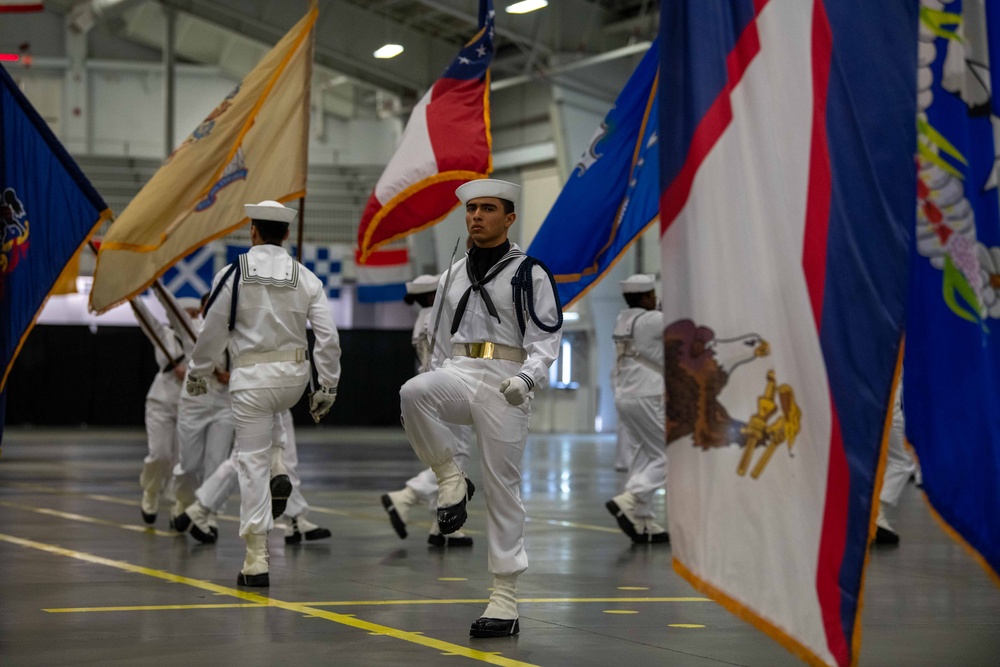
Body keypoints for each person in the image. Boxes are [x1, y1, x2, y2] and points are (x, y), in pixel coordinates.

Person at [399, 179, 562, 638]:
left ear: (509, 218)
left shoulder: (530, 272)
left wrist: (527, 380)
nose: (476, 216)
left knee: (502, 487)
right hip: (458, 369)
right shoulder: (451, 273)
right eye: (471, 209)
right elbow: (437, 338)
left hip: (506, 379)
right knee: (413, 392)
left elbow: (546, 341)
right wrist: (433, 372)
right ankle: (450, 479)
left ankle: (504, 598)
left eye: (487, 209)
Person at [186, 200, 341, 587]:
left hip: (251, 380)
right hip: (293, 380)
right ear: (286, 234)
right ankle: (279, 466)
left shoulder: (232, 274)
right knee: (274, 432)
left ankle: (256, 558)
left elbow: (212, 331)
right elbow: (328, 337)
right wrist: (328, 385)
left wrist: (197, 372)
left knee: (249, 461)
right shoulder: (306, 277)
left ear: (253, 231)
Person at [381, 274, 475, 548]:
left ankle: (441, 526)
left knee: (445, 457)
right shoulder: (437, 315)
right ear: (433, 296)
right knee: (458, 456)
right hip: (446, 391)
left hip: (428, 393)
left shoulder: (419, 319)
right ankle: (405, 497)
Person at [174, 409, 333, 545]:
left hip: (282, 400)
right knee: (241, 459)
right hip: (255, 398)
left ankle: (295, 519)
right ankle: (199, 510)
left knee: (285, 461)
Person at [605, 274, 669, 544]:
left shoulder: (624, 318)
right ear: (644, 298)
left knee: (644, 455)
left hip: (625, 395)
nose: (655, 300)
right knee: (668, 455)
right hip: (648, 394)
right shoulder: (652, 320)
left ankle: (642, 519)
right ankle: (630, 499)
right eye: (652, 296)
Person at [170, 294, 234, 529]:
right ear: (202, 308)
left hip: (224, 402)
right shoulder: (192, 328)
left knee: (217, 463)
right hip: (195, 401)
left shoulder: (235, 331)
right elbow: (171, 307)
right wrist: (154, 283)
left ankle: (209, 517)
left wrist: (234, 374)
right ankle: (183, 501)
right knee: (188, 465)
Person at [133, 295, 187, 525]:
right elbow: (145, 318)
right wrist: (133, 297)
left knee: (183, 461)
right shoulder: (163, 334)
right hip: (161, 401)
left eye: (195, 314)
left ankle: (179, 503)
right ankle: (151, 490)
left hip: (190, 404)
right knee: (161, 454)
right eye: (188, 314)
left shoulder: (203, 337)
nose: (192, 318)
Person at [874, 371, 917, 545]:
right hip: (883, 397)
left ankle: (874, 514)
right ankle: (875, 516)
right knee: (903, 459)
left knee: (903, 459)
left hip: (883, 396)